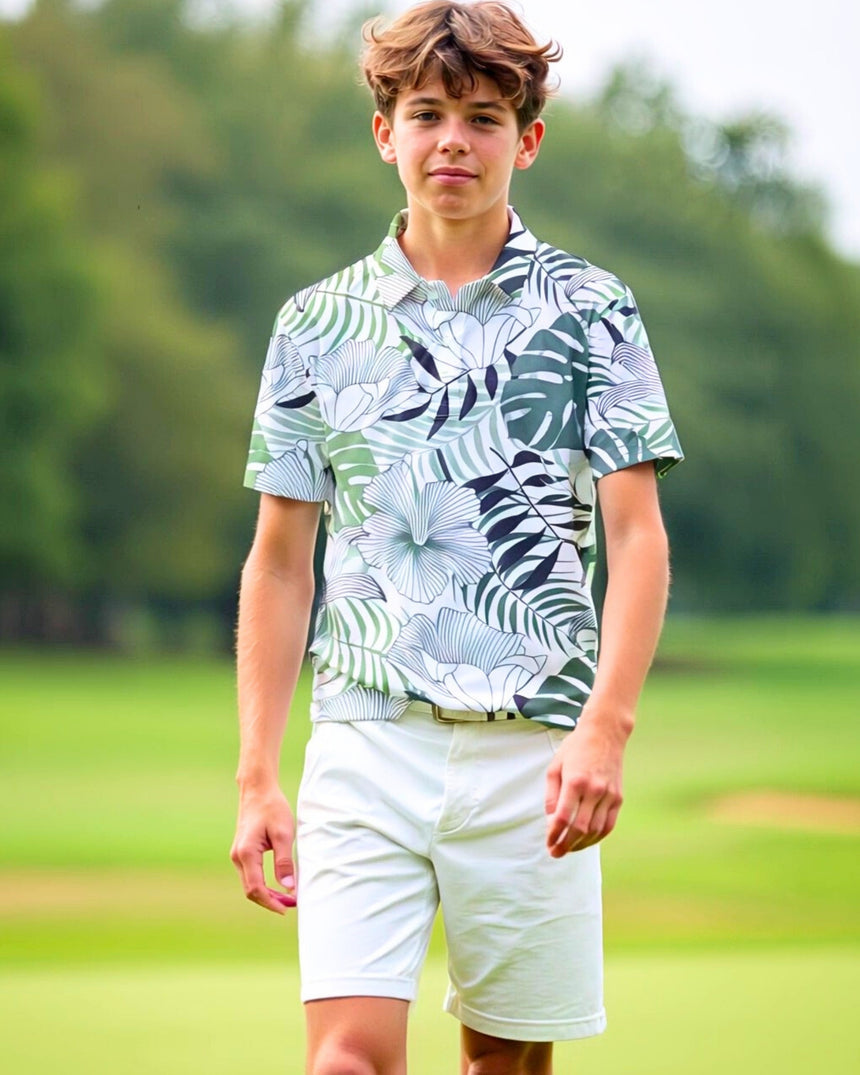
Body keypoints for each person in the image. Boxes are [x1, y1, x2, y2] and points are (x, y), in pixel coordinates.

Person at [230, 2, 683, 1072]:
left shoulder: (593, 310)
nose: (451, 142)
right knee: (346, 1059)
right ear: (383, 130)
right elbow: (280, 561)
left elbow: (638, 539)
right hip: (362, 744)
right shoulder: (313, 323)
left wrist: (604, 731)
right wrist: (257, 773)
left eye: (482, 118)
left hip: (534, 757)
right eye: (425, 113)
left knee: (503, 1067)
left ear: (525, 140)